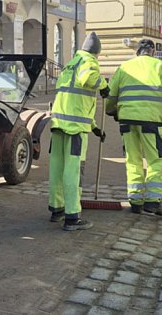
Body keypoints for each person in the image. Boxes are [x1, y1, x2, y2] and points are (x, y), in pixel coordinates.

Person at [105, 39, 162, 216]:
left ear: (138, 51)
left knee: (132, 160)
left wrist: (112, 111)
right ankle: (152, 201)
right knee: (156, 160)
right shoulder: (161, 66)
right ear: (152, 52)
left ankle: (135, 201)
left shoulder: (124, 67)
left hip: (127, 121)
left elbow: (111, 95)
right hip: (151, 121)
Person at [48, 32, 108, 231]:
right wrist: (104, 85)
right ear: (96, 53)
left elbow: (76, 101)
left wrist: (94, 127)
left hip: (59, 123)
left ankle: (57, 209)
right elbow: (88, 78)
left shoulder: (71, 63)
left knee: (57, 168)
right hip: (75, 130)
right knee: (73, 171)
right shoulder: (89, 61)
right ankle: (72, 217)